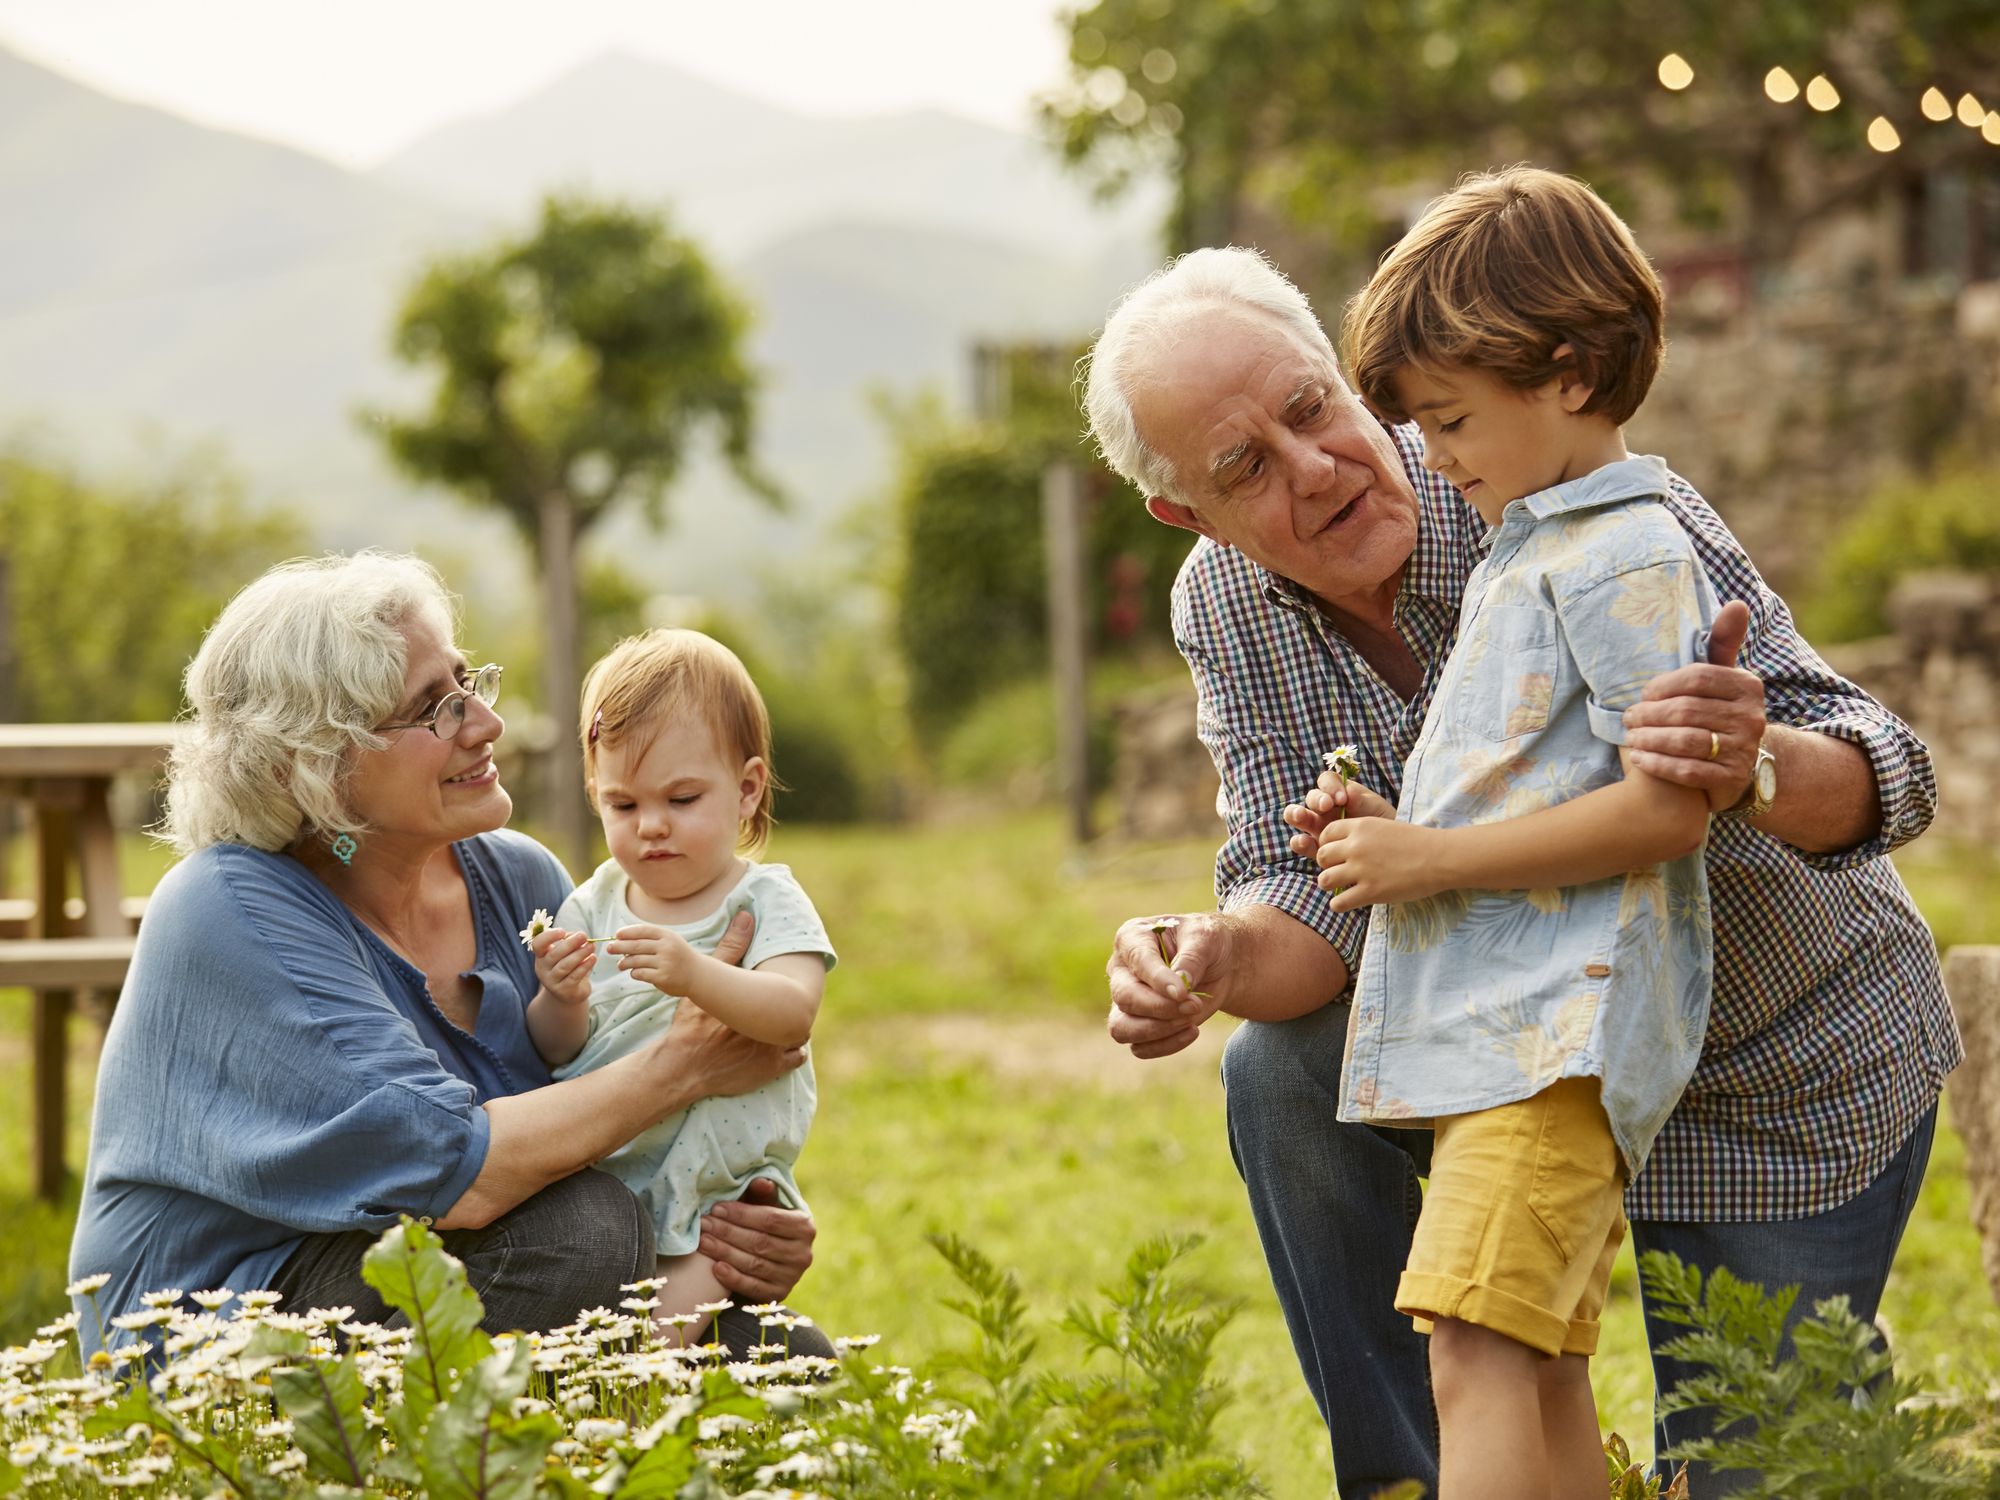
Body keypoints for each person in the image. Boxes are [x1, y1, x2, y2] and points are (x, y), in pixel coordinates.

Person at [1082, 234, 1958, 1497]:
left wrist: (1747, 754)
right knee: (1279, 1073)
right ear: (1184, 511)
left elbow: (1886, 764)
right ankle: (1413, 1482)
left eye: (1309, 409)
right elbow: (1304, 895)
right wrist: (1213, 956)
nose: (1316, 468)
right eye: (1243, 468)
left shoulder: (1552, 480)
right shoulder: (1222, 603)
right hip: (1521, 1063)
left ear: (1337, 368)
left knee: (1764, 1472)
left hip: (1766, 1063)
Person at [69, 553, 832, 1359]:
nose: (486, 724)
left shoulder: (520, 879)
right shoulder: (227, 908)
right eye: (435, 709)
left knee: (785, 1356)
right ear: (318, 765)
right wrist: (689, 1065)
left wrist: (740, 1216)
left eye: (470, 684)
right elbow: (456, 1174)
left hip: (458, 1269)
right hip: (225, 1330)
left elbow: (602, 1098)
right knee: (585, 1233)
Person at [1291, 167, 1721, 1499]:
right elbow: (1539, 787)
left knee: (1474, 1350)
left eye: (1455, 417)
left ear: (1573, 376)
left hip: (1559, 1040)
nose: (1435, 454)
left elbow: (1668, 806)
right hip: (1513, 1037)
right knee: (1531, 1368)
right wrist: (1395, 830)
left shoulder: (1627, 555)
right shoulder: (1528, 551)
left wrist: (1429, 862)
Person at [524, 629, 833, 1342]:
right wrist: (562, 999)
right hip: (614, 1167)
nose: (653, 827)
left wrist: (698, 972)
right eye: (623, 806)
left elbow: (792, 1014)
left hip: (718, 1188)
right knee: (594, 1324)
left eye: (683, 798)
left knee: (649, 1342)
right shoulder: (592, 903)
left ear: (747, 789)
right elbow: (553, 1049)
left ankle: (628, 1409)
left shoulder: (762, 901)